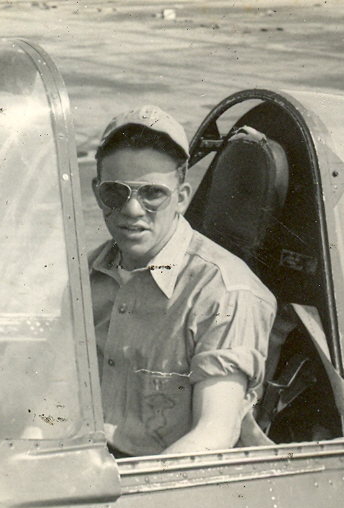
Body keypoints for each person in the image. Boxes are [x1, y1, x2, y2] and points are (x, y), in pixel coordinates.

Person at [89, 105, 277, 457]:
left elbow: (214, 431)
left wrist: (131, 492)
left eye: (152, 194)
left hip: (170, 481)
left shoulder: (223, 292)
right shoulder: (86, 274)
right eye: (116, 192)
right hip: (90, 469)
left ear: (182, 198)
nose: (132, 211)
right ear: (97, 192)